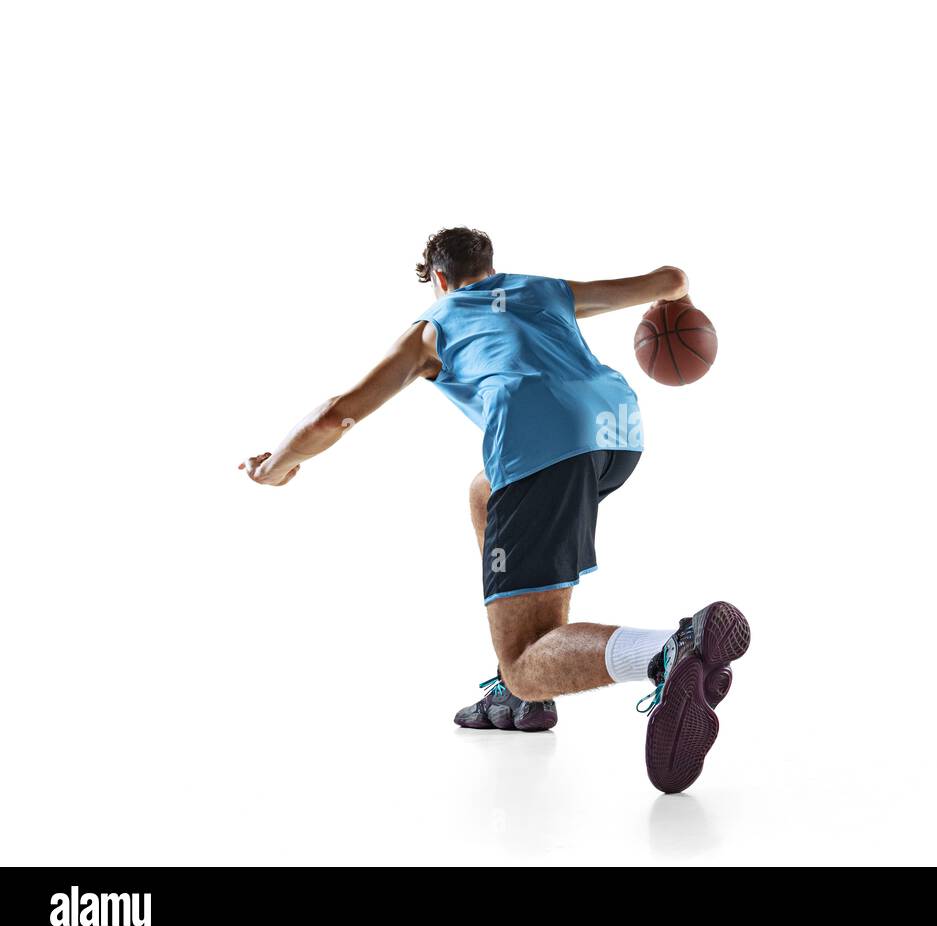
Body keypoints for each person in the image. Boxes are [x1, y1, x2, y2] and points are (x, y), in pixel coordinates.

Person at [240, 227, 749, 793]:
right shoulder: (540, 289)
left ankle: (666, 650)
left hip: (549, 449)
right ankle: (523, 702)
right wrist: (678, 311)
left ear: (437, 279)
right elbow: (670, 279)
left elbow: (335, 416)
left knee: (524, 664)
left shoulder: (432, 329)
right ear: (490, 267)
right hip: (618, 435)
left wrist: (277, 466)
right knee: (486, 490)